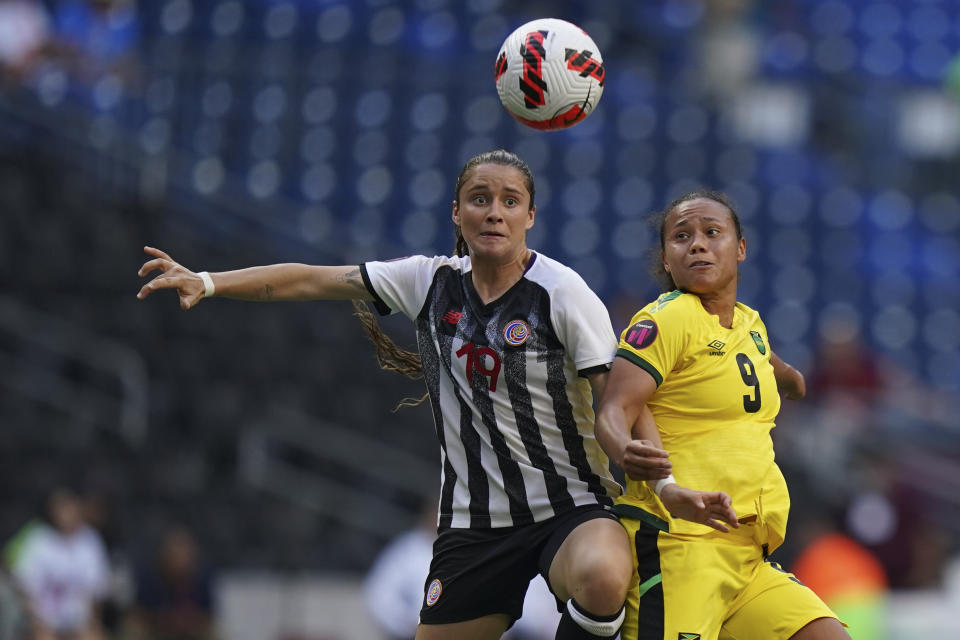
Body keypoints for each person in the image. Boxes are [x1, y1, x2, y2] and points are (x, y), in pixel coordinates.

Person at [137, 150, 736, 640]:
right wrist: (209, 281)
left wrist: (664, 486)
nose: (494, 212)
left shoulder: (563, 293)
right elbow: (309, 279)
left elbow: (621, 403)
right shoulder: (427, 281)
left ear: (531, 216)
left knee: (606, 575)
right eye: (480, 198)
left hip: (572, 506)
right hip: (474, 523)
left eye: (510, 201)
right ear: (457, 213)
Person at [595, 191, 849, 640]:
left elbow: (759, 360)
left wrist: (790, 379)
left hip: (747, 554)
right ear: (666, 259)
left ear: (741, 248)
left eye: (712, 233)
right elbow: (614, 409)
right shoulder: (665, 321)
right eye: (682, 237)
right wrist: (625, 450)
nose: (697, 244)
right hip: (681, 547)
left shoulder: (749, 323)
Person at [10, 486, 111, 640]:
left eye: (70, 508)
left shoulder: (90, 539)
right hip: (42, 621)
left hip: (77, 622)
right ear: (52, 511)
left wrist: (92, 624)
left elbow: (95, 592)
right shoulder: (38, 539)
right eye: (62, 509)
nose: (66, 514)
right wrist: (38, 625)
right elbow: (23, 591)